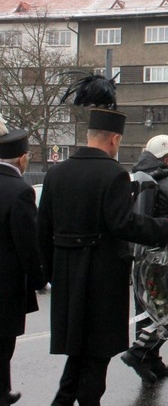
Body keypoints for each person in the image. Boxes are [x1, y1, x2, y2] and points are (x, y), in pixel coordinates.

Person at [38, 75, 168, 406]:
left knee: (78, 354)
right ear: (114, 138)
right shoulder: (113, 174)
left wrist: (51, 274)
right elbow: (123, 223)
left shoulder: (56, 173)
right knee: (96, 357)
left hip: (67, 275)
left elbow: (42, 228)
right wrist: (166, 227)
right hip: (101, 277)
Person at [120, 134, 168, 383]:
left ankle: (151, 359)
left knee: (146, 309)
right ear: (167, 158)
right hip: (165, 256)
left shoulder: (138, 177)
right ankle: (140, 352)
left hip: (141, 255)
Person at [0, 117, 47, 406]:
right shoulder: (19, 191)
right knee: (3, 344)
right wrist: (39, 278)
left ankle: (3, 389)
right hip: (5, 284)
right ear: (22, 158)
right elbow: (27, 243)